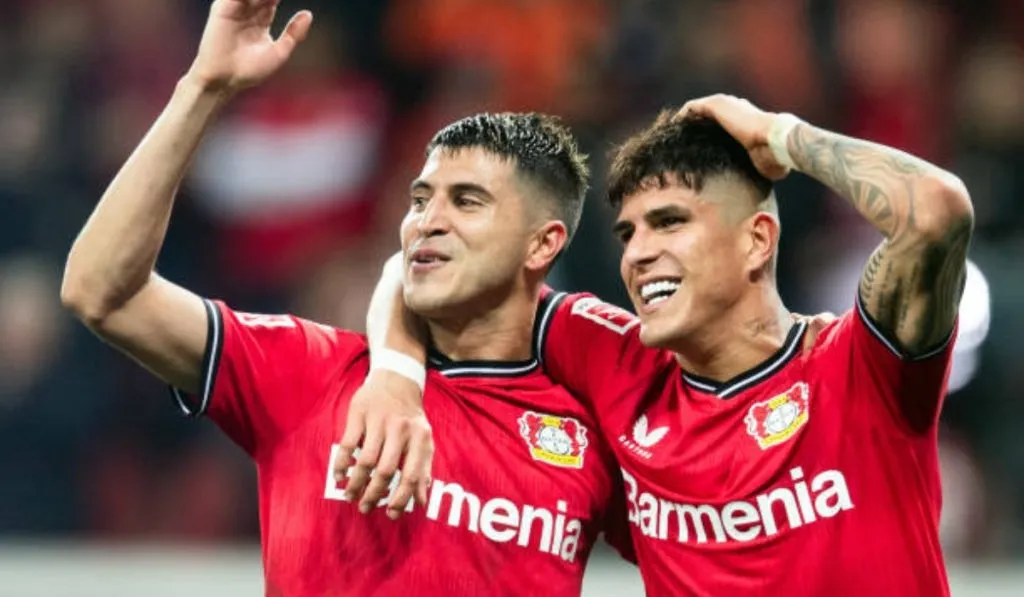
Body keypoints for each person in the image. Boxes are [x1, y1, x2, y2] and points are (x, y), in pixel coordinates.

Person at [60, 1, 635, 594]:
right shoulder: (309, 373)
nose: (426, 222)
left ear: (543, 244)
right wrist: (203, 87)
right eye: (419, 199)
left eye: (466, 201)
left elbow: (706, 552)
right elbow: (101, 292)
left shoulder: (587, 435)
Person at [360, 95, 974, 595]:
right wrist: (392, 379)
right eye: (628, 232)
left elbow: (937, 213)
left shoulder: (857, 366)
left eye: (670, 222)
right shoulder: (617, 360)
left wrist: (780, 136)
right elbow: (429, 268)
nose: (638, 253)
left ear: (757, 241)